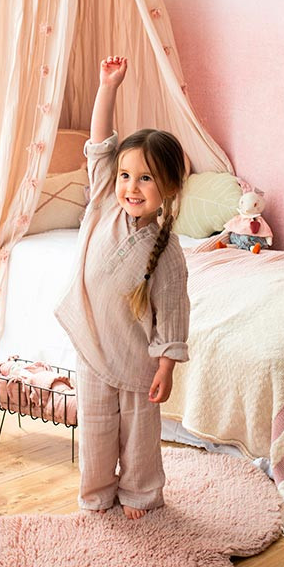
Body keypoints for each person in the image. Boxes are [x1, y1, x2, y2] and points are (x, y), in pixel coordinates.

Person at [55, 55, 190, 519]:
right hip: (95, 348)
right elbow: (100, 142)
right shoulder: (101, 203)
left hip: (137, 359)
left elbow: (173, 315)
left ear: (168, 188)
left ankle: (140, 492)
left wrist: (166, 367)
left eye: (146, 179)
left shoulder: (166, 253)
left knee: (139, 435)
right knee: (94, 428)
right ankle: (96, 493)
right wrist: (107, 87)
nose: (132, 187)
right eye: (126, 176)